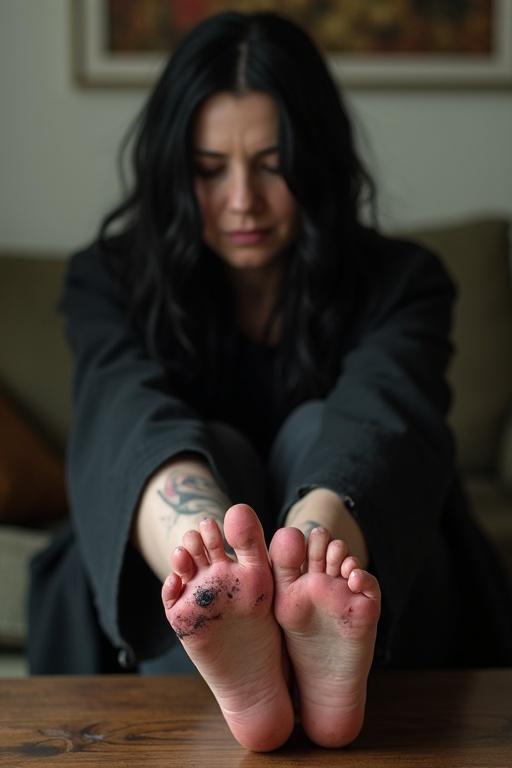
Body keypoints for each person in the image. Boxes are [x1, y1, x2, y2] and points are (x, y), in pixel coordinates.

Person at [29, 9, 512, 753]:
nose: (243, 200)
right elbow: (123, 404)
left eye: (273, 162)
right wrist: (216, 551)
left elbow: (384, 411)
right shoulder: (110, 280)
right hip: (166, 541)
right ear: (170, 169)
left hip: (367, 552)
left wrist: (303, 558)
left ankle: (304, 598)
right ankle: (221, 593)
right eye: (209, 169)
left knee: (321, 428)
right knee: (203, 442)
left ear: (315, 159)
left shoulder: (404, 282)